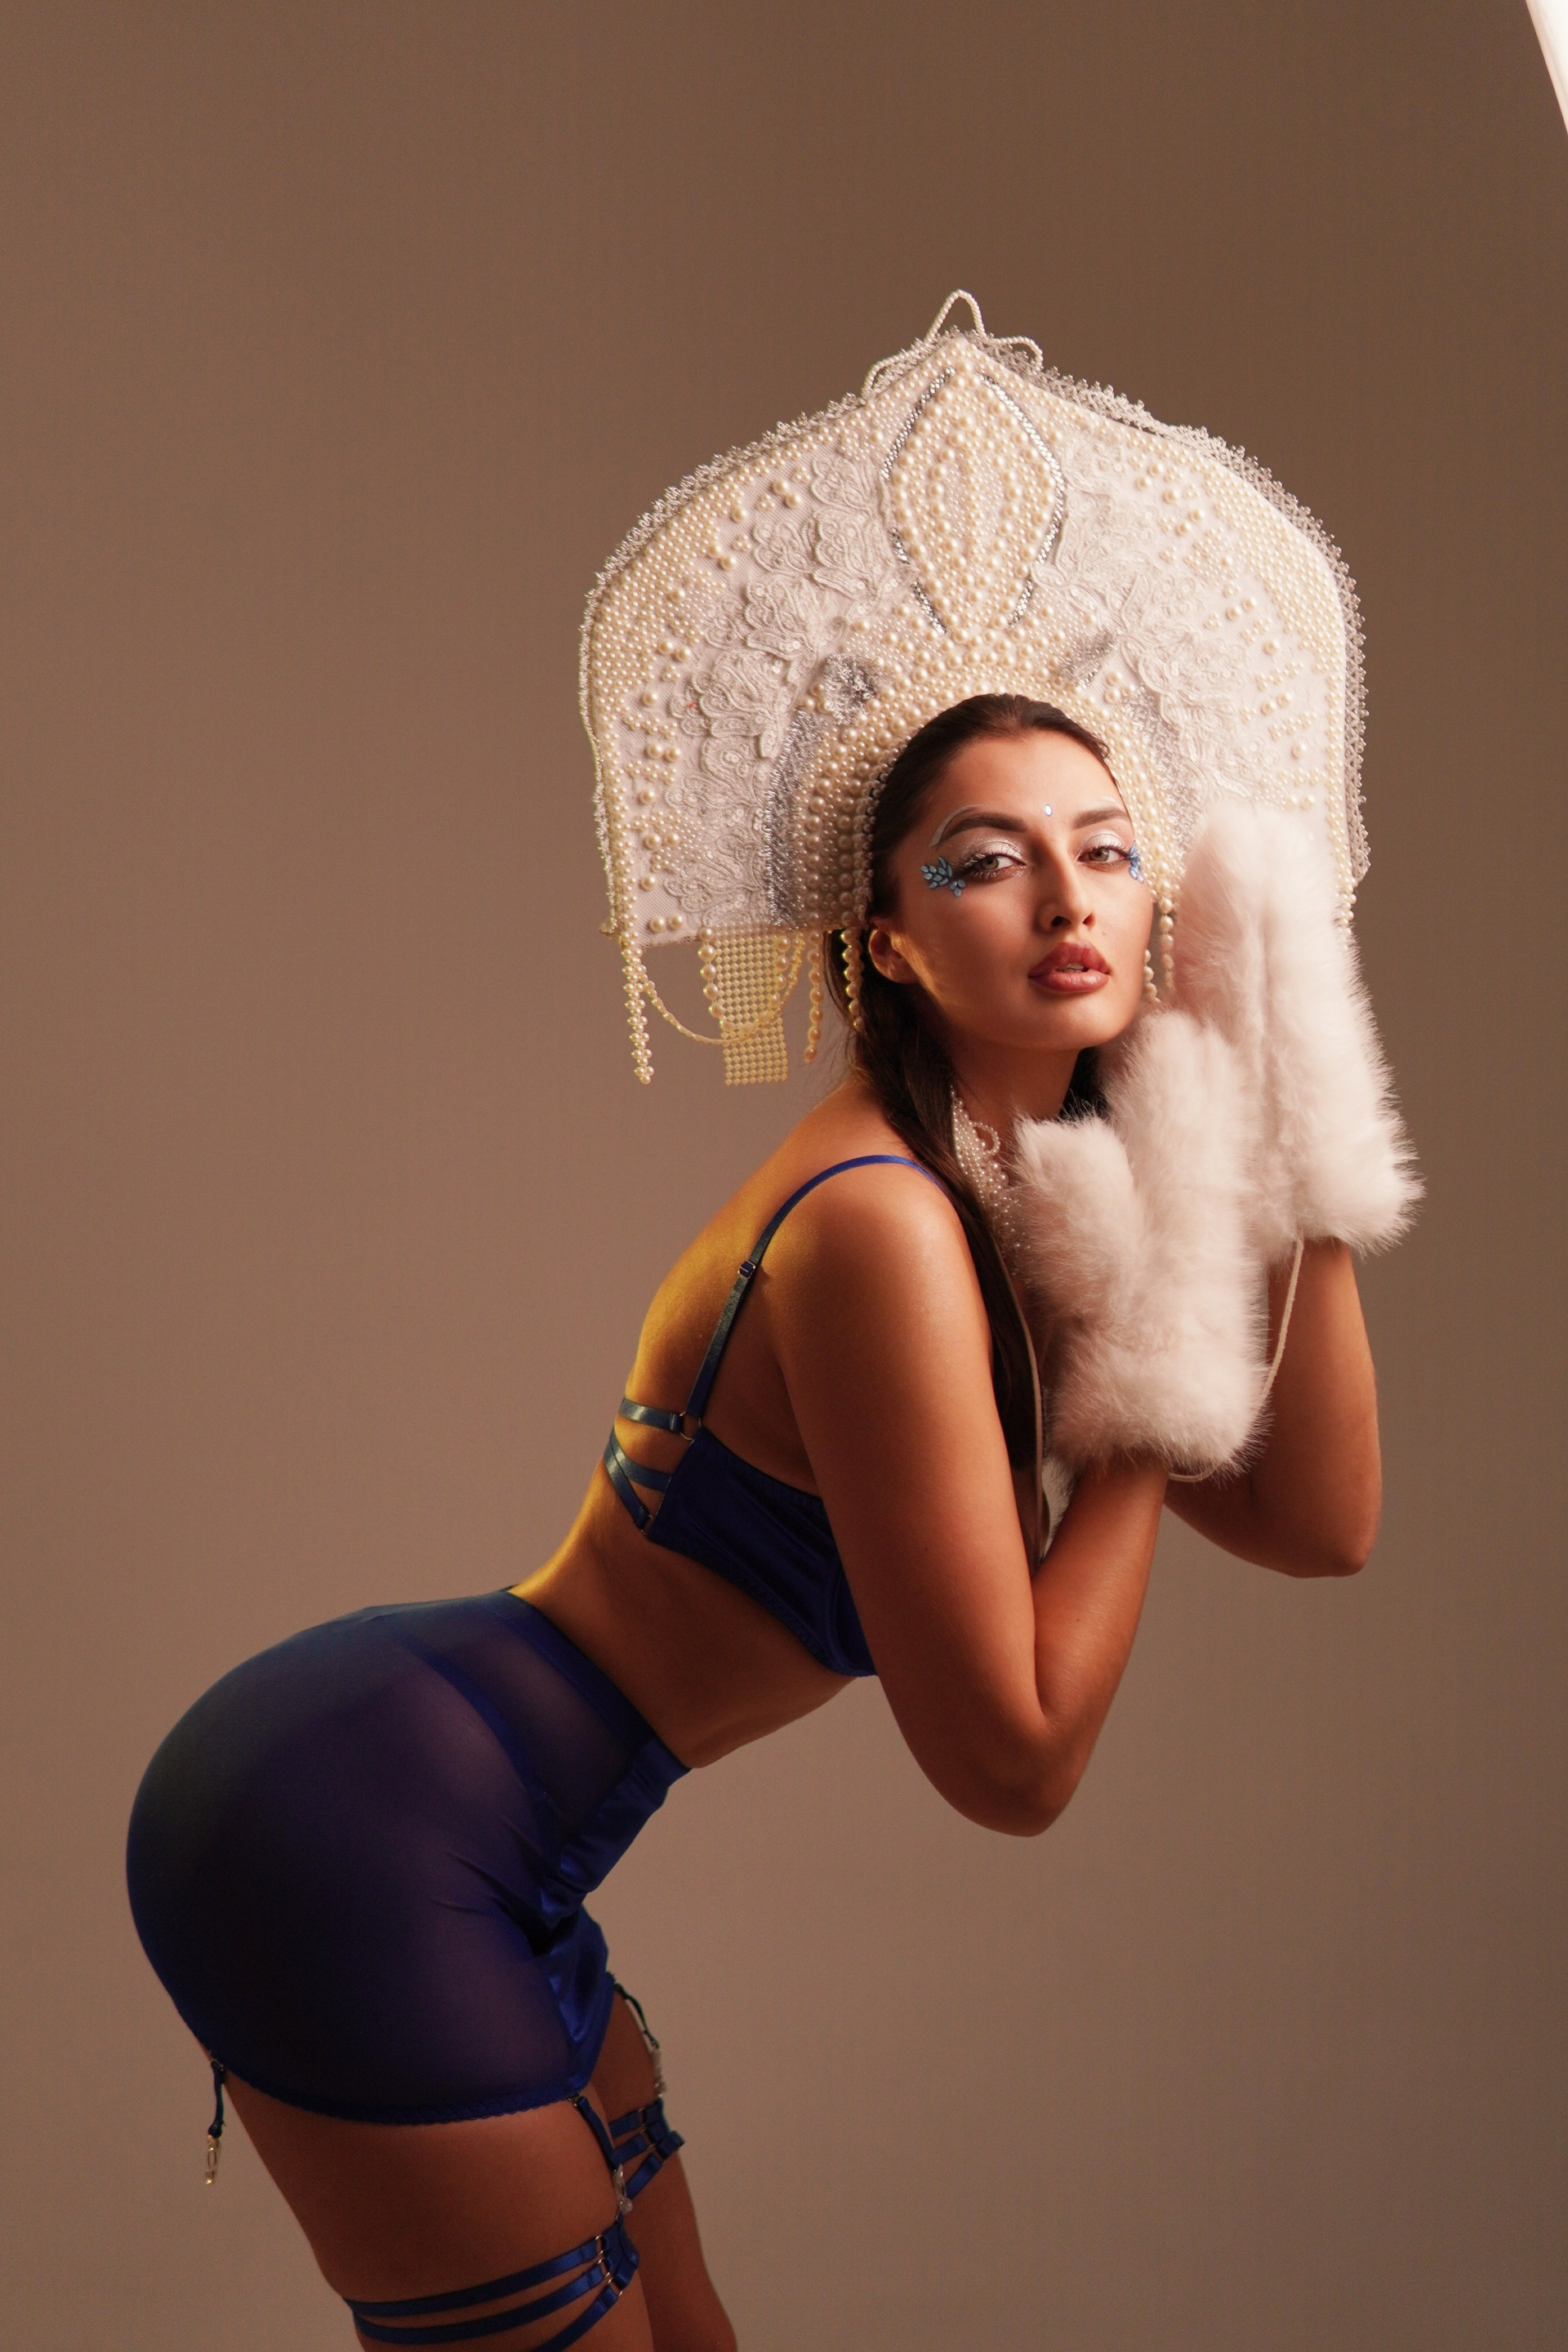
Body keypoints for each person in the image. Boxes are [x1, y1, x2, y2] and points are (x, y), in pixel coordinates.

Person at [127, 296, 1416, 2352]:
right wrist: (1160, 1362)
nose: (1069, 898)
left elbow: (1321, 1518)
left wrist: (1281, 1112)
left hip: (488, 1824)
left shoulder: (1010, 1200)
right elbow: (1011, 1760)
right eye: (989, 862)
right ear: (888, 937)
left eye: (1108, 852)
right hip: (363, 1819)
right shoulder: (885, 1228)